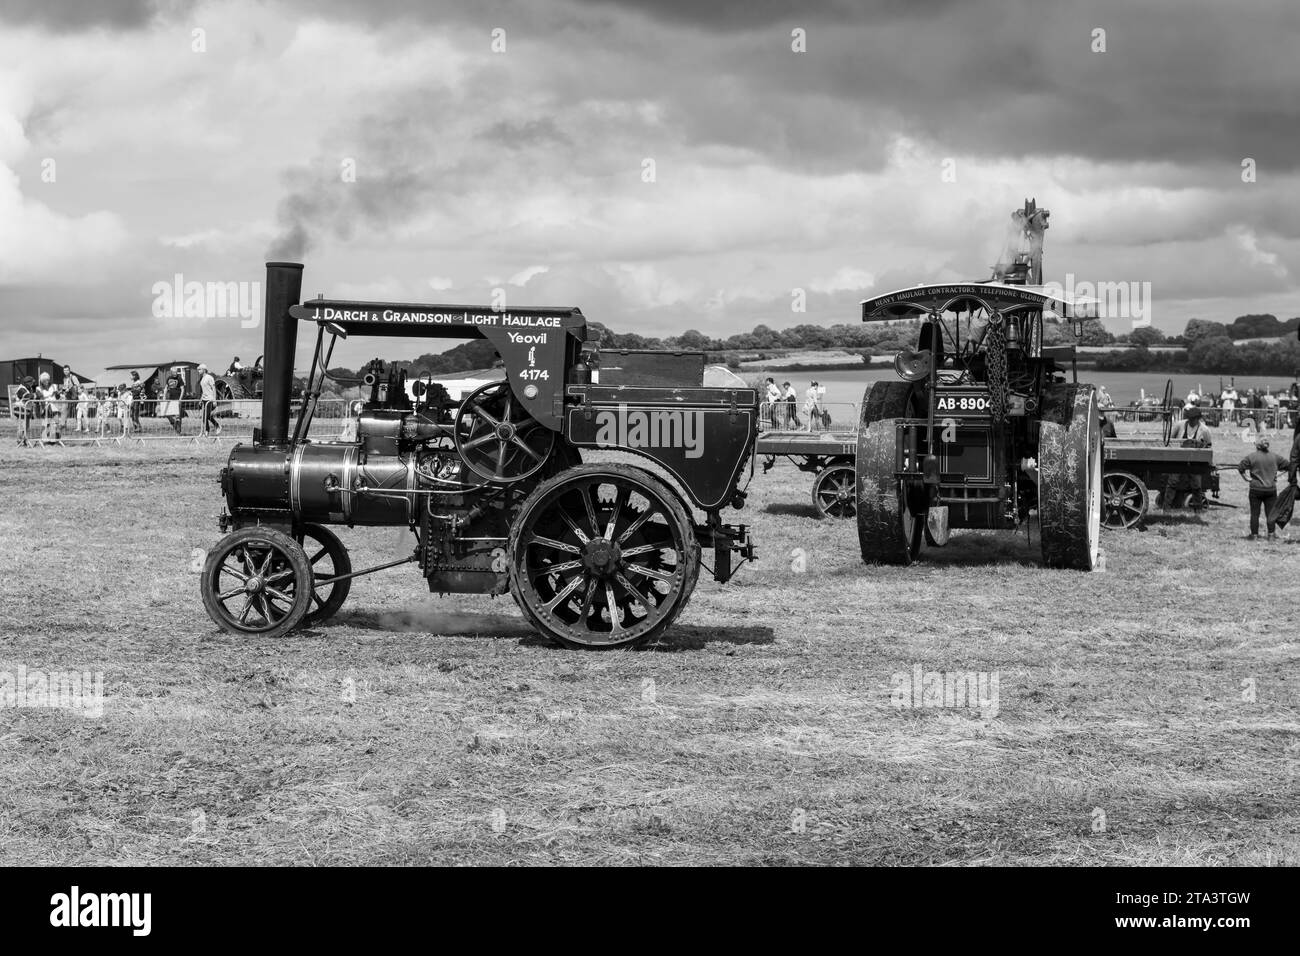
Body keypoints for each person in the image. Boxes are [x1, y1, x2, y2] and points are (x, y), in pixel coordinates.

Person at [1237, 436, 1292, 540]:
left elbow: (1240, 467)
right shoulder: (1275, 457)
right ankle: (1271, 535)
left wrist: (1246, 478)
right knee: (1271, 514)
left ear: (1257, 446)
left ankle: (1254, 536)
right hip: (1270, 490)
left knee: (1254, 514)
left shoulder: (1251, 457)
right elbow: (1289, 466)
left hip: (1255, 490)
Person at [198, 363, 221, 436]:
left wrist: (214, 400)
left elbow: (213, 389)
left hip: (210, 399)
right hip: (204, 400)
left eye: (199, 369)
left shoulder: (209, 377)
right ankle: (206, 431)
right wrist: (201, 400)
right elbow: (204, 391)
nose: (198, 371)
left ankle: (217, 425)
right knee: (204, 417)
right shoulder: (202, 379)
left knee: (206, 416)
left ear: (204, 370)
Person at [36, 372, 60, 441]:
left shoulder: (54, 386)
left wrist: (57, 394)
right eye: (44, 381)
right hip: (45, 408)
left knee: (55, 423)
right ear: (41, 381)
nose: (46, 382)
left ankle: (53, 440)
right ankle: (44, 439)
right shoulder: (38, 388)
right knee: (46, 424)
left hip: (54, 407)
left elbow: (57, 397)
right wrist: (49, 397)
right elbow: (40, 397)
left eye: (47, 380)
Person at [12, 375, 35, 446]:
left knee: (26, 426)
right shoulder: (21, 389)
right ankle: (19, 440)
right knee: (22, 426)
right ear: (28, 382)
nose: (33, 383)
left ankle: (24, 440)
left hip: (26, 409)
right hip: (20, 409)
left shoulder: (28, 388)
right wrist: (34, 395)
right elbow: (27, 397)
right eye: (31, 382)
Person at [162, 366, 185, 434]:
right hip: (170, 398)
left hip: (177, 398)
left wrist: (180, 399)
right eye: (174, 372)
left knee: (178, 417)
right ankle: (174, 425)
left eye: (176, 372)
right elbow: (166, 388)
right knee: (168, 414)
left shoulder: (179, 378)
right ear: (171, 372)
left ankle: (178, 431)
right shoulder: (169, 378)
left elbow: (182, 389)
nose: (175, 373)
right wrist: (164, 396)